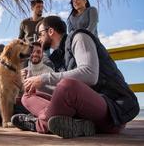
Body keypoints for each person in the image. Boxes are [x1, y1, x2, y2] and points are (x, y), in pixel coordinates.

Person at [11, 16, 139, 138]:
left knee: (67, 85)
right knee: (28, 96)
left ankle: (38, 123)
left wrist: (43, 78)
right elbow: (61, 94)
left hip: (112, 113)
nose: (38, 39)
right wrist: (36, 83)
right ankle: (78, 125)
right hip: (87, 115)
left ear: (50, 31)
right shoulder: (59, 57)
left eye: (40, 34)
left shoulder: (79, 37)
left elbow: (89, 75)